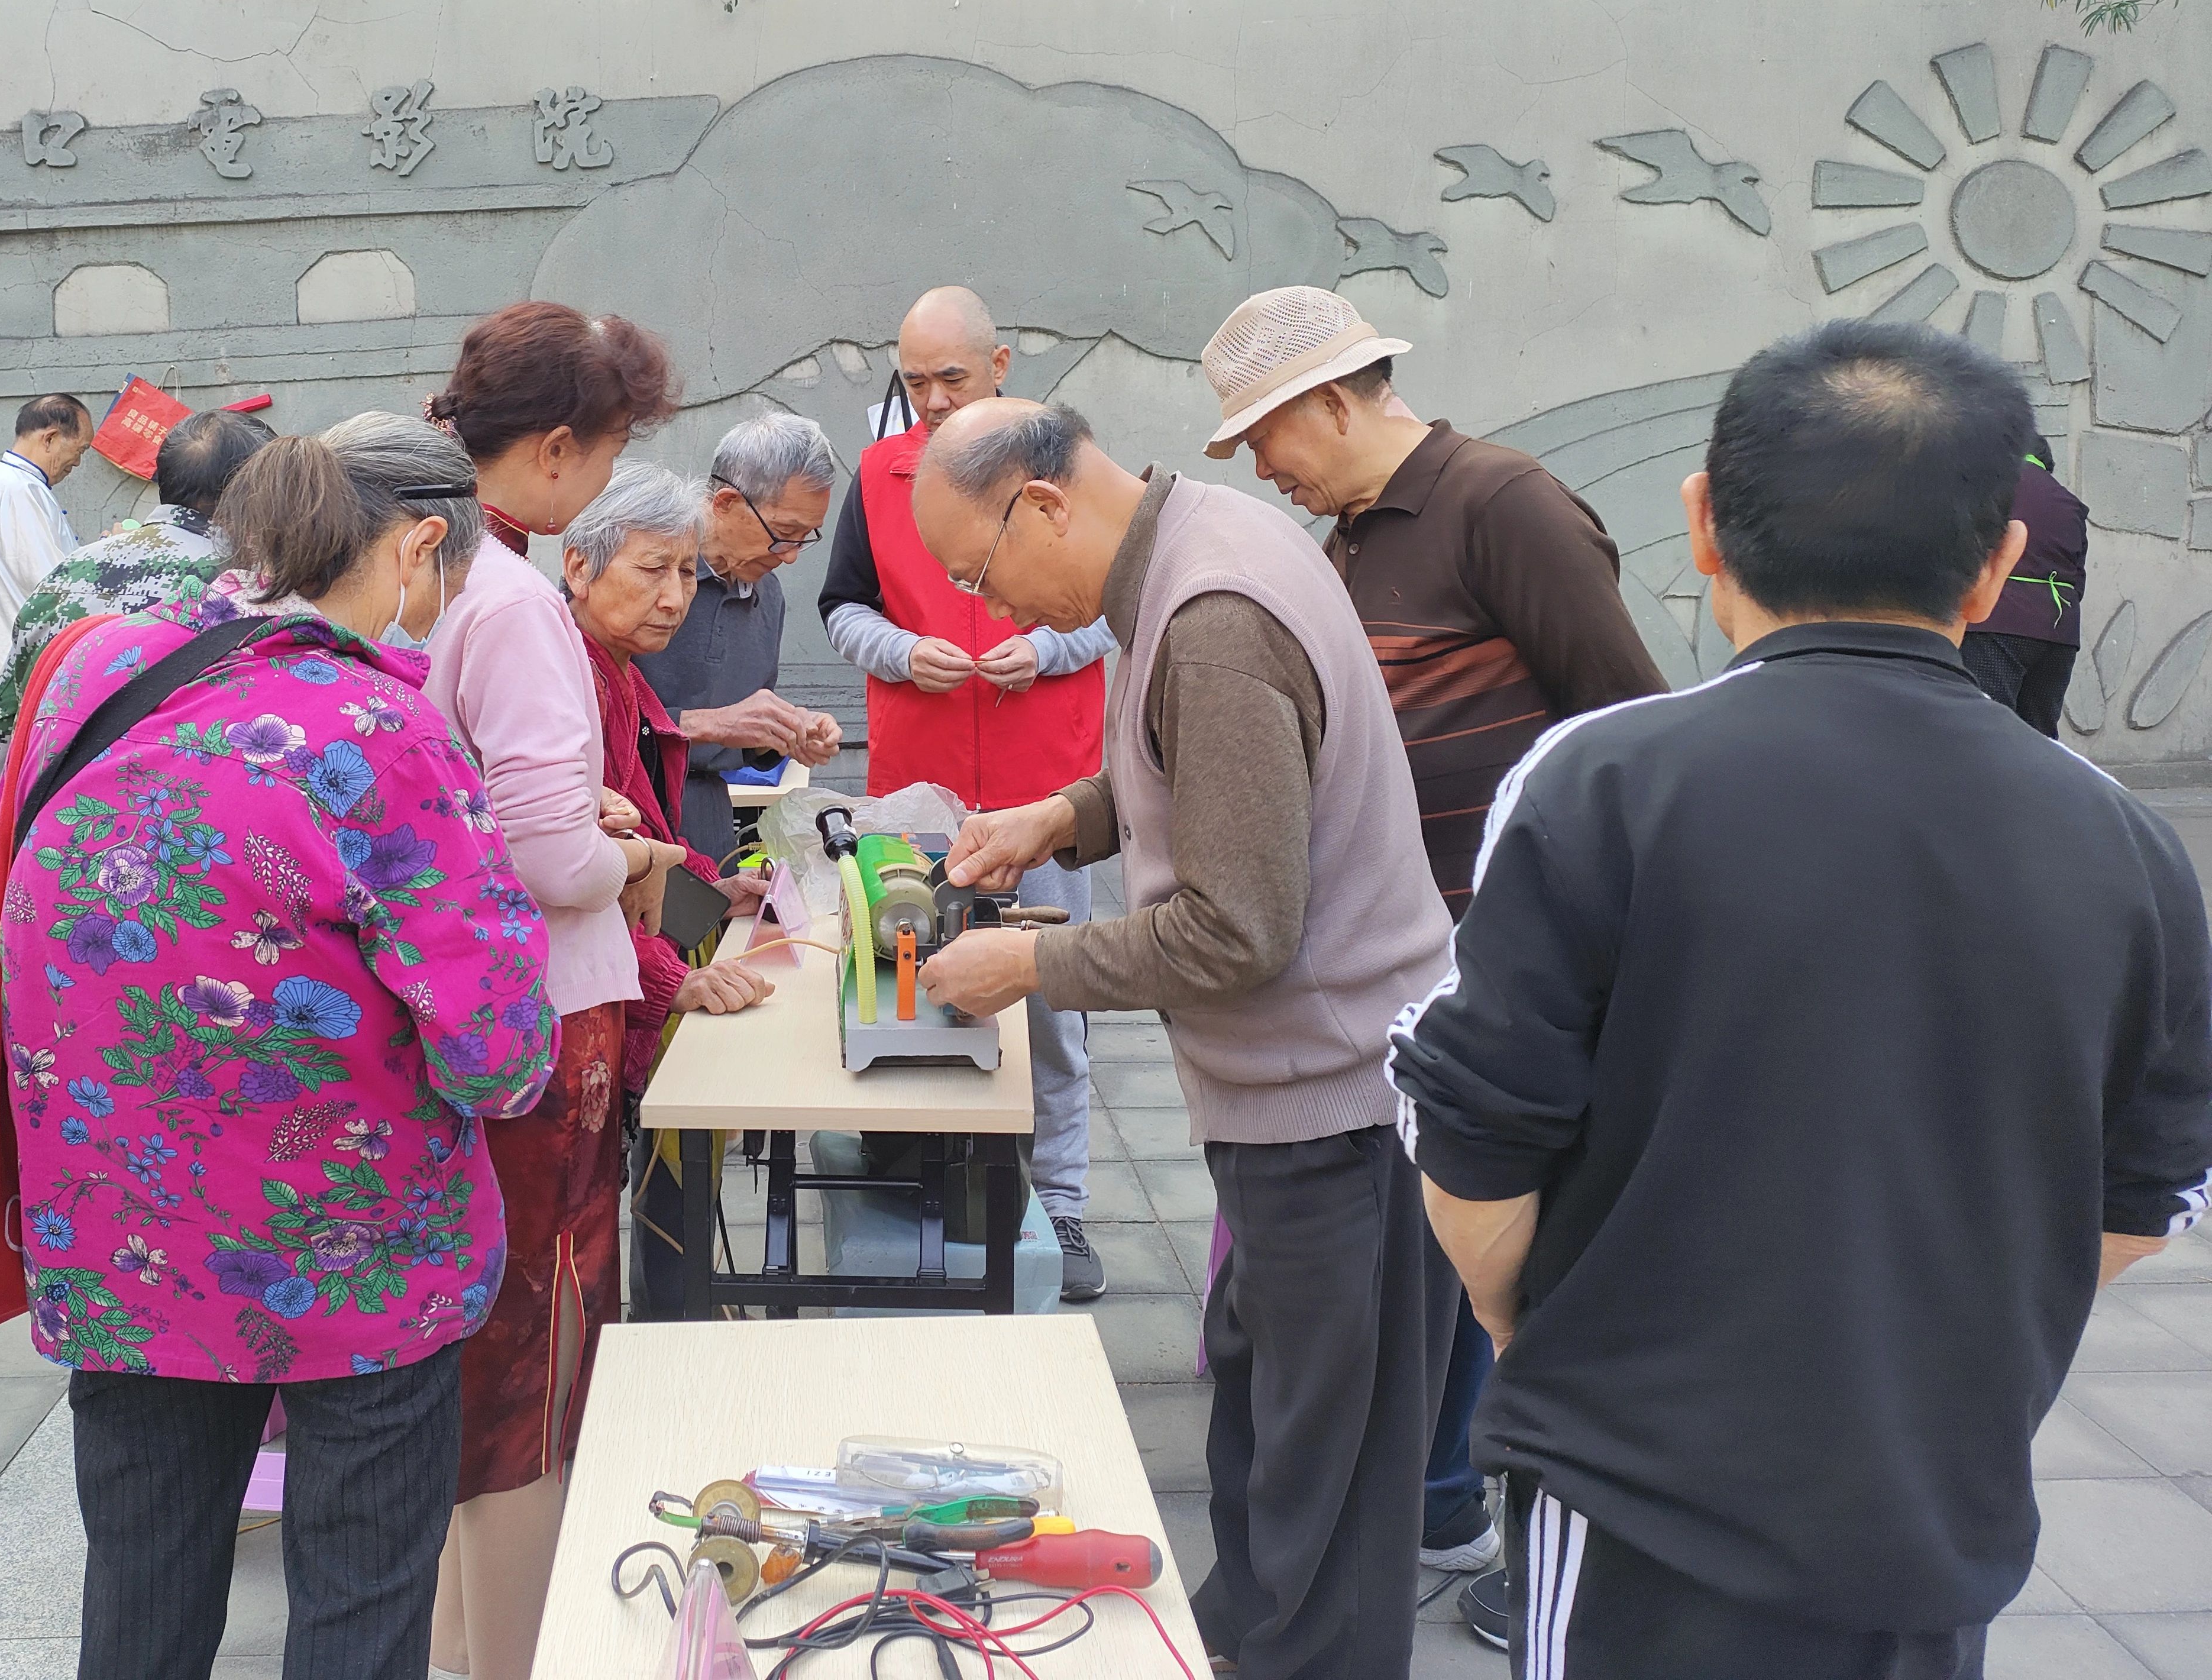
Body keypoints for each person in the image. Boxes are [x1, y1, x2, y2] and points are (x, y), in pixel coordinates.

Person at [1390, 321, 2212, 1679]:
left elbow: (1473, 1140)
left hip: (1634, 1504)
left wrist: (1536, 1324)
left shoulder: (1604, 777)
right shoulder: (2125, 846)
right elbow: (2142, 1199)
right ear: (1998, 561)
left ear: (1701, 526)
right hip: (1930, 1514)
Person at [0, 412, 554, 1680]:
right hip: (352, 1258)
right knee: (359, 1604)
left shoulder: (102, 673)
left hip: (120, 1235)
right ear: (416, 547)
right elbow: (499, 1054)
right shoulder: (379, 729)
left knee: (139, 1596)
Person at [910, 398, 1454, 1680]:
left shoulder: (1209, 619)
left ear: (1042, 504)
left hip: (1338, 1113)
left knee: (1324, 1500)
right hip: (1313, 1097)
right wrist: (1062, 817)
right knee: (1269, 1445)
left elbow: (1234, 928)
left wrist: (1026, 964)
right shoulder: (1205, 539)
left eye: (977, 574)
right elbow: (1209, 775)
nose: (989, 611)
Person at [1203, 285, 1667, 1611]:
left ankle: (1463, 1499)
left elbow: (1621, 728)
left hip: (1496, 953)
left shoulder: (1502, 504)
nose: (1264, 472)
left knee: (1484, 1231)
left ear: (1330, 403)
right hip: (1387, 965)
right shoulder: (1346, 539)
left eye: (1265, 438)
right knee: (1424, 1233)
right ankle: (1431, 1491)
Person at [419, 302, 678, 1680]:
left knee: (486, 1364)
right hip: (546, 1007)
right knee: (538, 1366)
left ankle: (469, 1650)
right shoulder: (518, 603)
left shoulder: (437, 561)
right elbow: (542, 857)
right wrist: (622, 851)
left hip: (466, 1005)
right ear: (562, 446)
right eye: (615, 449)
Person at [819, 286, 1112, 1301]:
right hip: (922, 793)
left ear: (1001, 366)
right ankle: (920, 1184)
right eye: (916, 382)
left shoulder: (1067, 465)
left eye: (953, 377)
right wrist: (902, 652)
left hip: (1050, 788)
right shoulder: (877, 474)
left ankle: (1060, 1204)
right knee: (911, 985)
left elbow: (1118, 602)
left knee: (1055, 1007)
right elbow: (842, 609)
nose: (936, 399)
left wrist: (1049, 647)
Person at [560, 465, 781, 1317]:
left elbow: (643, 831)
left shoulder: (617, 667)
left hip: (622, 968)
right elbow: (576, 869)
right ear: (579, 566)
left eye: (688, 572)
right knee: (575, 1242)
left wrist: (710, 890)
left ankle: (669, 1325)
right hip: (579, 996)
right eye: (653, 569)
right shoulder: (570, 678)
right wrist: (670, 980)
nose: (676, 597)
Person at [0, 407, 274, 821]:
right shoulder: (246, 583)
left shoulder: (68, 571)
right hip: (183, 827)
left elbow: (0, 723)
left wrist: (4, 832)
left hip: (58, 823)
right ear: (253, 493)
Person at [633, 413, 847, 868]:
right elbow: (581, 717)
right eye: (783, 535)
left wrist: (784, 734)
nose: (791, 556)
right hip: (625, 824)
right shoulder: (636, 568)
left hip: (709, 831)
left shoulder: (768, 596)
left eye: (805, 538)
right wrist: (708, 724)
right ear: (726, 503)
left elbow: (738, 733)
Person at [1962, 433, 2088, 737]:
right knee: (2039, 735)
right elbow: (2078, 577)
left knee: (1988, 730)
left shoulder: (1992, 489)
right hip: (2059, 633)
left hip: (1999, 623)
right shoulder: (2071, 504)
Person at [0, 392, 92, 706]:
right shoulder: (17, 488)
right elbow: (51, 585)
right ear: (50, 439)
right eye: (80, 450)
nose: (78, 462)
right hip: (31, 666)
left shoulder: (17, 483)